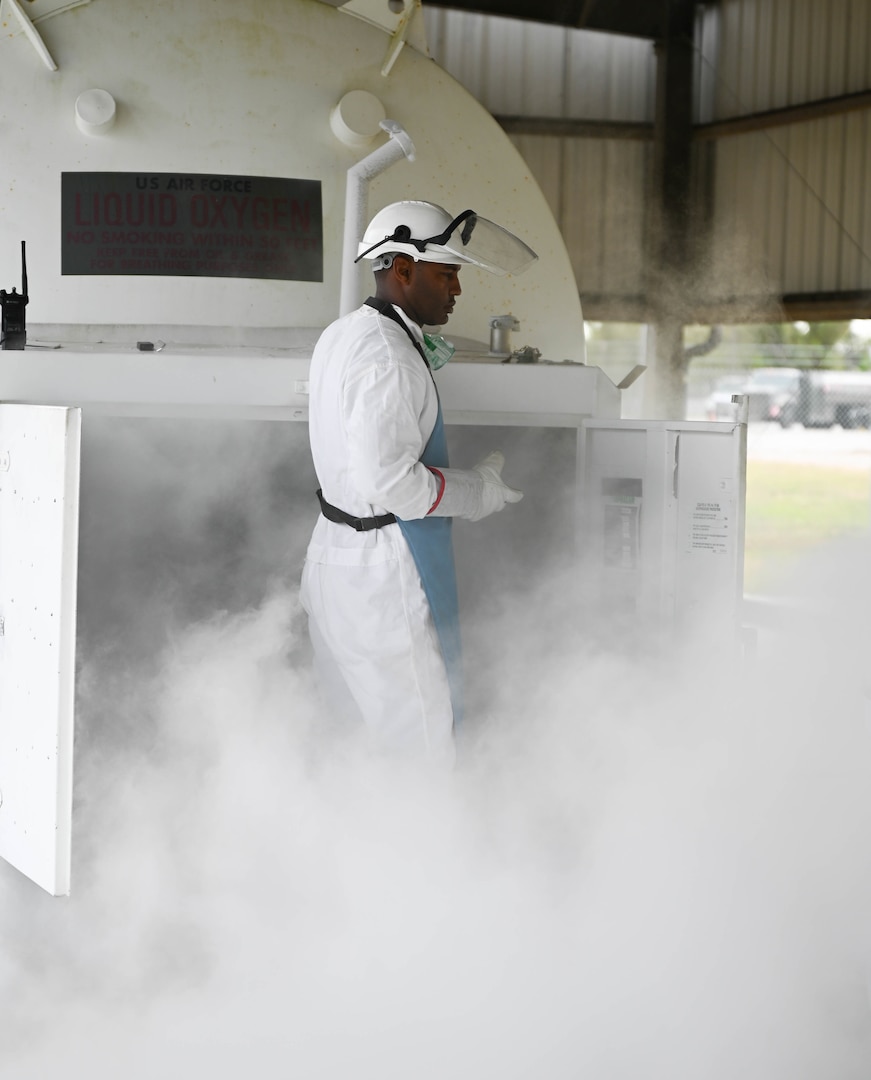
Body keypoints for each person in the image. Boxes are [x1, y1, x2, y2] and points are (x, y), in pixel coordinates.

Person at [300, 200, 536, 767]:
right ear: (402, 268)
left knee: (348, 741)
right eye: (446, 273)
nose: (456, 290)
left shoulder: (342, 335)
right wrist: (479, 491)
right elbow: (392, 485)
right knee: (419, 754)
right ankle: (422, 854)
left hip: (333, 556)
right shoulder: (390, 359)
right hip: (380, 574)